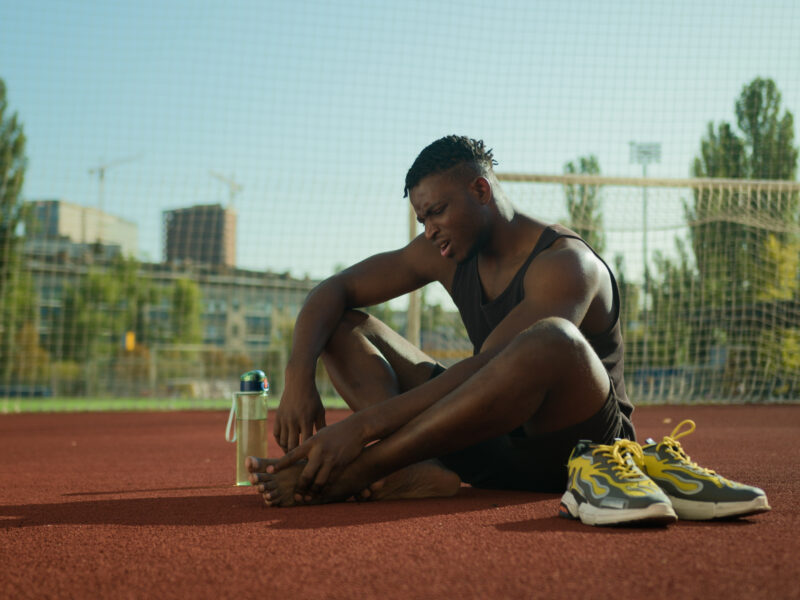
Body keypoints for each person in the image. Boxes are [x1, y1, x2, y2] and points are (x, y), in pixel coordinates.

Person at [247, 135, 635, 507]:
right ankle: (416, 468)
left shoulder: (566, 263)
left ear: (481, 191)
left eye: (437, 212)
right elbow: (334, 289)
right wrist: (298, 376)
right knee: (339, 325)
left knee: (552, 338)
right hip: (493, 445)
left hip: (578, 455)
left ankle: (361, 471)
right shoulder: (443, 249)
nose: (430, 230)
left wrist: (363, 428)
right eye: (422, 220)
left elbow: (489, 366)